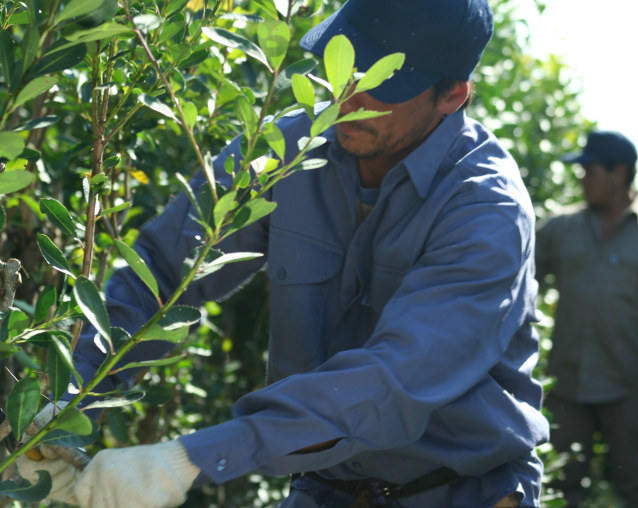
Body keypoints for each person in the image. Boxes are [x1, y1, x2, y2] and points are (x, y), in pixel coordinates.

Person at [19, 0, 550, 506]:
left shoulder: (486, 210)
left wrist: (187, 461)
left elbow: (395, 382)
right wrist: (71, 396)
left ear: (452, 96)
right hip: (327, 488)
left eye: (384, 84)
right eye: (346, 66)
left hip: (462, 491)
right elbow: (163, 269)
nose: (350, 97)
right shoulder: (287, 150)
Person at [535, 131, 638, 507]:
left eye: (589, 170)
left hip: (633, 386)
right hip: (568, 383)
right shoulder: (558, 229)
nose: (580, 179)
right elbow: (515, 282)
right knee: (559, 490)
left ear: (619, 173)